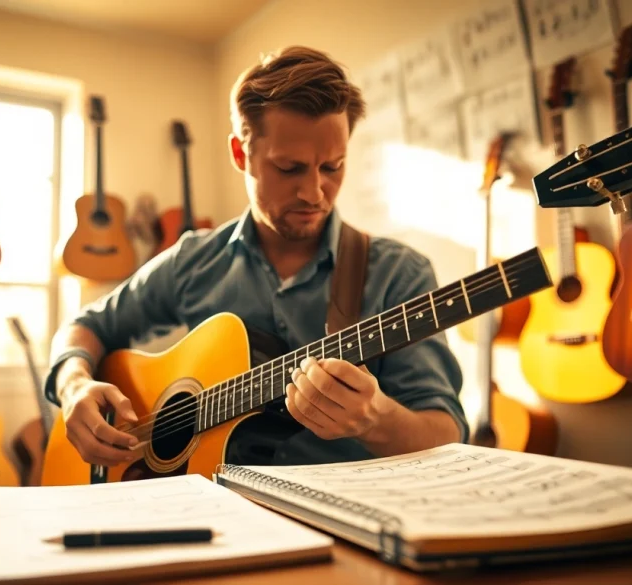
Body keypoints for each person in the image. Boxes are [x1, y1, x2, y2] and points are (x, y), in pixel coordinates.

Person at [45, 46, 467, 470]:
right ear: (240, 154)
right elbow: (86, 327)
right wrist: (74, 385)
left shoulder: (399, 274)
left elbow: (445, 434)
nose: (314, 192)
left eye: (333, 167)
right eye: (289, 168)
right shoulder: (195, 259)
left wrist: (374, 419)